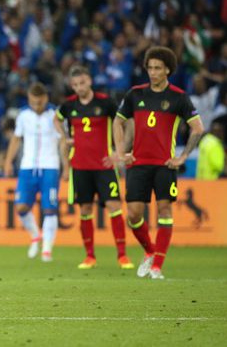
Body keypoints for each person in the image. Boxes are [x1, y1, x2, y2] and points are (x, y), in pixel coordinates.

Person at [112, 46, 204, 280]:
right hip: (138, 163)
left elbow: (197, 128)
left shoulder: (178, 97)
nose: (152, 72)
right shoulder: (135, 94)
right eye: (150, 68)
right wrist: (121, 151)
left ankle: (156, 267)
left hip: (165, 165)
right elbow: (117, 122)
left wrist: (183, 157)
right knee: (133, 214)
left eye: (157, 68)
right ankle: (150, 252)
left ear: (168, 70)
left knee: (164, 210)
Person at [54, 65, 134, 270]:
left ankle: (122, 255)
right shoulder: (68, 106)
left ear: (89, 81)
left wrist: (119, 151)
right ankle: (90, 256)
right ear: (71, 86)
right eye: (75, 85)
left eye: (82, 83)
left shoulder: (105, 102)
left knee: (114, 207)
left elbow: (125, 122)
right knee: (85, 209)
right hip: (79, 166)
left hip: (104, 165)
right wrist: (64, 137)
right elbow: (56, 119)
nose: (79, 87)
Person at [4, 83, 64, 262]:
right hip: (27, 166)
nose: (36, 106)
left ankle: (46, 250)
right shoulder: (23, 115)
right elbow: (16, 139)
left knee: (49, 209)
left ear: (46, 98)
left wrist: (66, 167)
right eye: (33, 102)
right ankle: (35, 235)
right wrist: (8, 162)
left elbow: (63, 142)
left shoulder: (56, 116)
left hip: (50, 166)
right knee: (21, 207)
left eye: (39, 102)